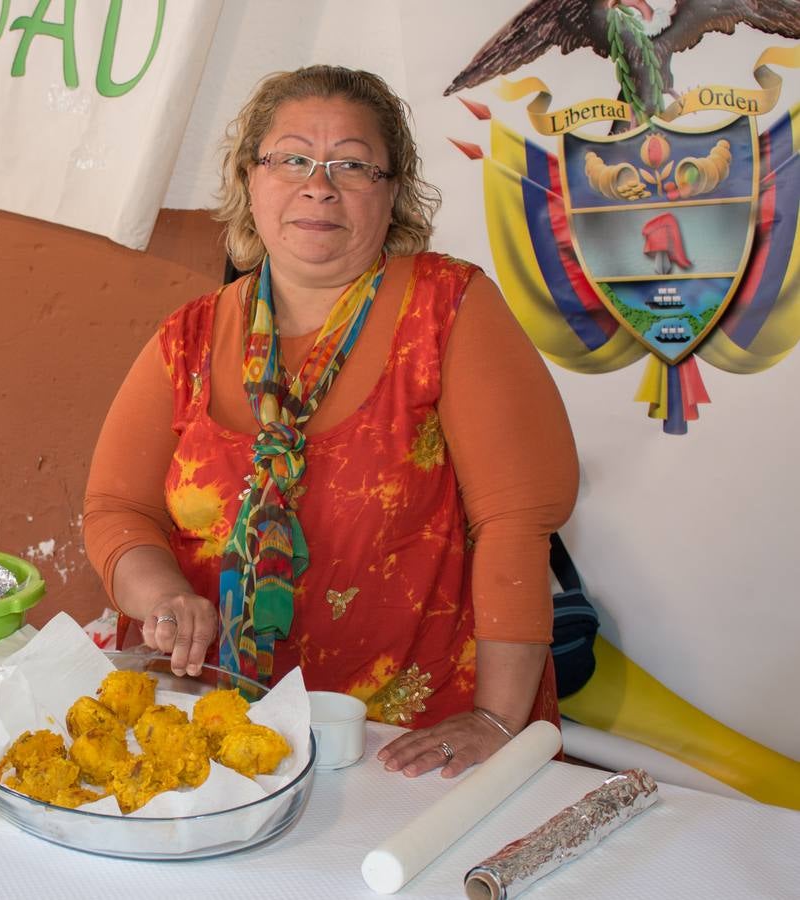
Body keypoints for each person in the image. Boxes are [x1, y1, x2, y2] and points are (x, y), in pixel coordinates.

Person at [83, 66, 577, 778]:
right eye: (291, 159)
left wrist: (498, 720)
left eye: (351, 163)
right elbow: (117, 510)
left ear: (392, 190)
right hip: (218, 729)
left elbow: (516, 522)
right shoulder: (187, 337)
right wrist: (161, 596)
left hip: (409, 746)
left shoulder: (447, 308)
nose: (319, 185)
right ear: (249, 180)